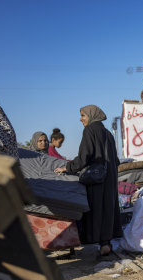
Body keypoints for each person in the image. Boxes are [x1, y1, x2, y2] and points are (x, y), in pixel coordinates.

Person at [54, 105, 122, 256]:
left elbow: (84, 156)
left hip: (96, 180)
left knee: (95, 210)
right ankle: (106, 244)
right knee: (107, 211)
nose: (81, 119)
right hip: (109, 179)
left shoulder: (90, 130)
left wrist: (67, 167)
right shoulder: (107, 134)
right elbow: (115, 160)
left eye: (83, 115)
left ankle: (96, 242)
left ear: (91, 116)